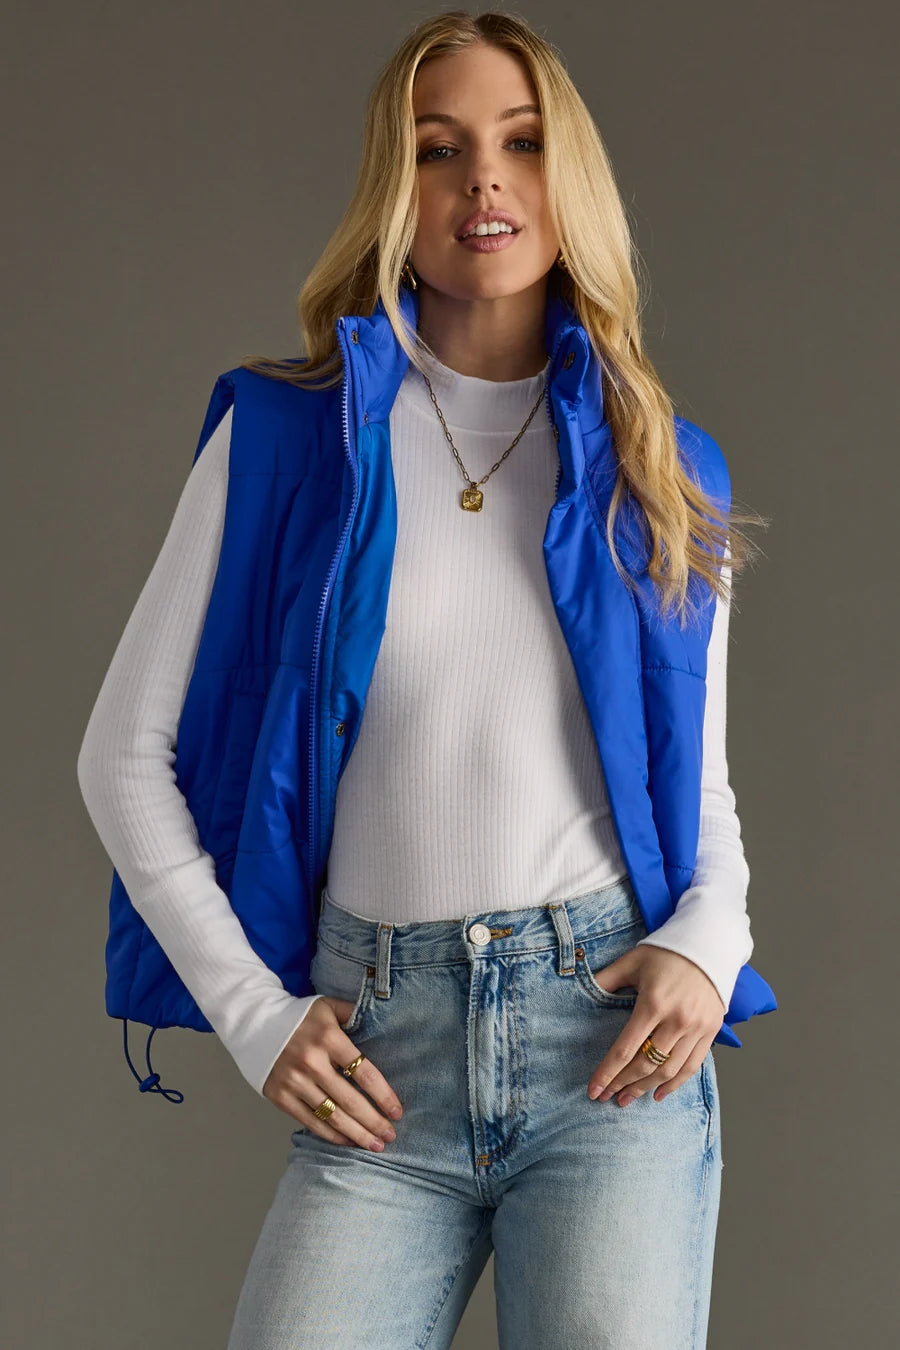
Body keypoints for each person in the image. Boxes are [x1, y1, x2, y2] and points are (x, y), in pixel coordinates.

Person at [76, 10, 777, 1347]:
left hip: (602, 1052)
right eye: (440, 147)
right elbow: (119, 759)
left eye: (522, 142)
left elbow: (700, 797)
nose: (485, 179)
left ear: (569, 178)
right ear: (396, 190)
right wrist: (253, 1015)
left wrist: (709, 942)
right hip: (381, 1053)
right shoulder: (283, 440)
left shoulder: (661, 466)